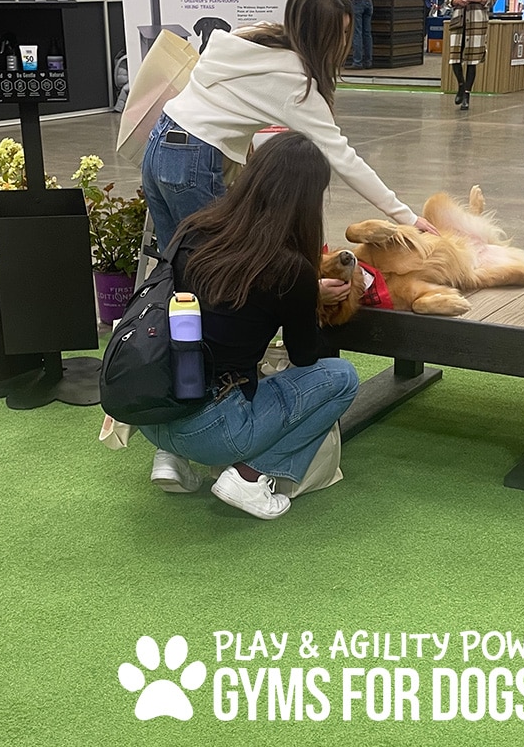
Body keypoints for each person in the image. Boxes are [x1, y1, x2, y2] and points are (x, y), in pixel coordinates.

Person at [141, 133, 360, 520]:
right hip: (214, 429)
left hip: (149, 411)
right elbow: (305, 356)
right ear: (308, 200)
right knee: (341, 377)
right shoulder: (291, 268)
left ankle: (170, 456)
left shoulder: (194, 229)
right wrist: (308, 298)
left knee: (191, 347)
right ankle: (249, 477)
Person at [141, 0, 438, 252]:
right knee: (212, 266)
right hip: (192, 160)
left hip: (159, 143)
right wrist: (407, 217)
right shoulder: (295, 83)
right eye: (340, 32)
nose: (344, 41)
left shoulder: (256, 35)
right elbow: (344, 158)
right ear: (320, 35)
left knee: (175, 263)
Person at [443, 0, 497, 110]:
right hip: (458, 22)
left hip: (476, 23)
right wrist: (456, 1)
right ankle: (461, 85)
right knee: (455, 58)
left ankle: (466, 94)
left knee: (472, 61)